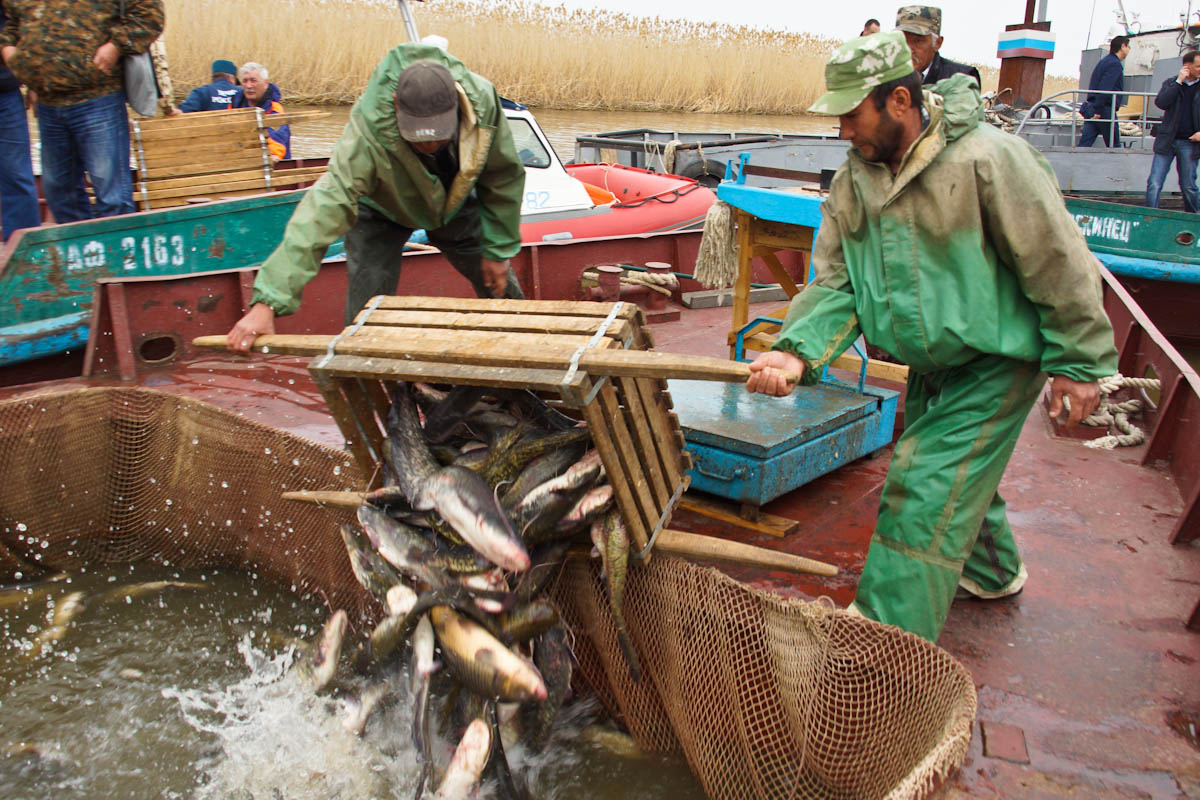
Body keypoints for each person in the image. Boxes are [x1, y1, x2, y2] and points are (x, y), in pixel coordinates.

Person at [747, 32, 1118, 642]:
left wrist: (1080, 365)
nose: (843, 131)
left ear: (899, 100)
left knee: (924, 482)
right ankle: (992, 573)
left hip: (999, 358)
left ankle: (883, 647)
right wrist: (795, 351)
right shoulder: (854, 182)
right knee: (962, 474)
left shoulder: (990, 159)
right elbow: (838, 282)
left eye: (850, 113)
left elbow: (1058, 262)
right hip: (933, 360)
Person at [225, 42, 526, 351]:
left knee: (505, 292)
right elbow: (320, 214)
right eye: (420, 139)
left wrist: (498, 249)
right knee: (365, 316)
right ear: (396, 105)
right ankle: (371, 386)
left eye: (440, 136)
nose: (431, 146)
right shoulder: (365, 138)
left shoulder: (483, 101)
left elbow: (502, 175)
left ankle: (526, 369)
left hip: (453, 201)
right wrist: (267, 303)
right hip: (381, 209)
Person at [0, 0, 165, 222]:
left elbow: (149, 14)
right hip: (49, 103)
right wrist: (9, 51)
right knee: (59, 192)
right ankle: (80, 252)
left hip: (98, 98)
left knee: (112, 194)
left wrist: (115, 46)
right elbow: (13, 21)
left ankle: (118, 255)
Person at [0, 1, 39, 241]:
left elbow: (23, 18)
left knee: (16, 178)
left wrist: (32, 78)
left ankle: (25, 264)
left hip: (4, 91)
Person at [1145, 50, 1200, 212]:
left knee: (1188, 186)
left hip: (1189, 143)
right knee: (1154, 183)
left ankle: (1193, 220)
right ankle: (1150, 218)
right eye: (1198, 66)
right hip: (1166, 141)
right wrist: (1178, 82)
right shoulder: (1171, 83)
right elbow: (1161, 103)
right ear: (1187, 66)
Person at [895, 5, 981, 87]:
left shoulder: (962, 78)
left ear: (937, 43)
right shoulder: (887, 76)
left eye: (918, 41)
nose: (908, 49)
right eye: (903, 40)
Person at [1078, 35, 1130, 148]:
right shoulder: (1115, 64)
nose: (1129, 50)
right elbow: (1105, 88)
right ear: (1122, 46)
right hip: (1104, 110)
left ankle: (1074, 164)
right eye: (1128, 46)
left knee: (1084, 146)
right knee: (1114, 146)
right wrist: (1099, 111)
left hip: (1093, 107)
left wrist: (1095, 109)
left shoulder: (1104, 61)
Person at [232, 61, 290, 162]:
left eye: (253, 81)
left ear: (265, 84)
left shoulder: (274, 109)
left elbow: (277, 137)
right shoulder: (234, 104)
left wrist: (273, 154)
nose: (249, 86)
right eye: (245, 81)